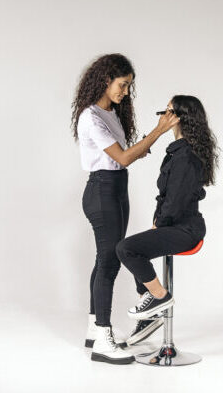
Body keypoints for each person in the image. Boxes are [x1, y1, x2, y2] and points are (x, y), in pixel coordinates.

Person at [71, 53, 179, 365]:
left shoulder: (111, 114)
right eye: (122, 85)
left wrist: (141, 146)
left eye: (129, 86)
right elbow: (123, 157)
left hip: (117, 187)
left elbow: (124, 155)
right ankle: (104, 341)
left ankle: (95, 328)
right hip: (102, 190)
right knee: (109, 263)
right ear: (105, 80)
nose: (125, 92)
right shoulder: (90, 117)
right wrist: (158, 131)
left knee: (104, 259)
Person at [116, 95, 219, 322]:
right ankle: (150, 315)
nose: (162, 115)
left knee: (127, 249)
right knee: (136, 248)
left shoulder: (186, 156)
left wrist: (159, 224)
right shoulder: (180, 151)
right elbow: (169, 199)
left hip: (185, 230)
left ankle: (160, 297)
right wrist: (158, 223)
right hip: (177, 225)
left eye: (167, 110)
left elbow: (175, 202)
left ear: (178, 117)